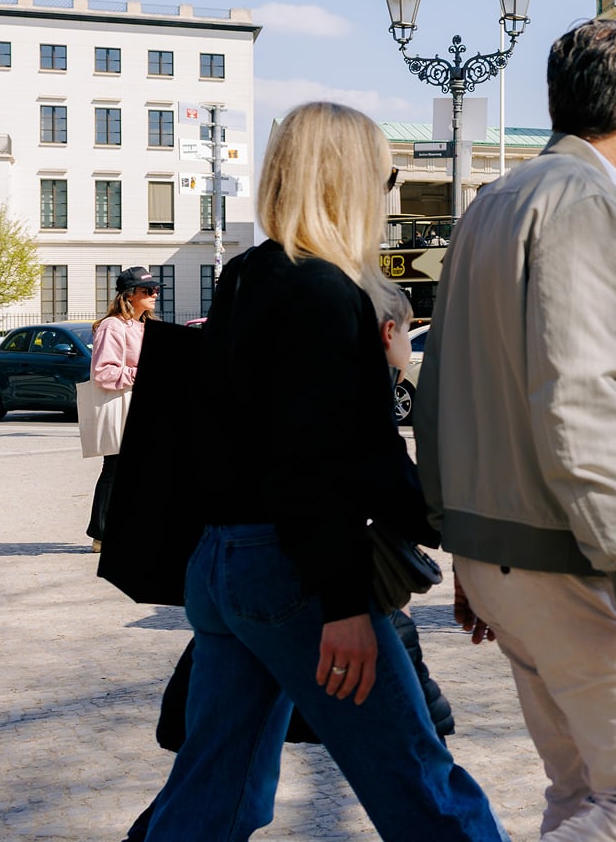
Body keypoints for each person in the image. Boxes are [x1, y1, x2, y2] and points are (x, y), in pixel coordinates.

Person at [141, 102, 506, 841]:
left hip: (225, 562)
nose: (390, 191)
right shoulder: (326, 294)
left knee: (218, 792)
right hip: (297, 575)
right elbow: (335, 463)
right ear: (347, 181)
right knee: (422, 785)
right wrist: (346, 605)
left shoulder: (248, 275)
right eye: (385, 175)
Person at [413, 20, 616, 840]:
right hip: (579, 560)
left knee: (578, 788)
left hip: (503, 552)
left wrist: (465, 537)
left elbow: (446, 387)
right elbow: (581, 403)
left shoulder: (495, 203)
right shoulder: (585, 208)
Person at [86, 266, 161, 553]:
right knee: (115, 468)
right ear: (129, 296)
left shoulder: (144, 325)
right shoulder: (112, 327)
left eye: (155, 290)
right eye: (147, 290)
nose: (154, 294)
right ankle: (102, 534)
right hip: (123, 406)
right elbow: (103, 372)